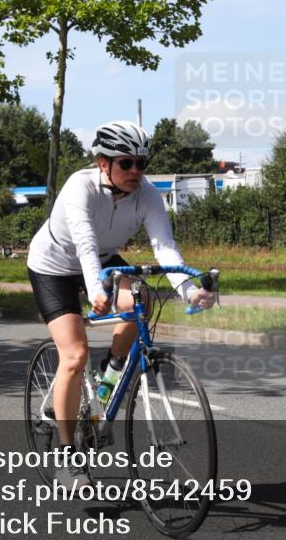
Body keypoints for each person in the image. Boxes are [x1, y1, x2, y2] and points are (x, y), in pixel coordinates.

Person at [27, 120, 215, 487]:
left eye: (141, 164)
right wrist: (97, 289)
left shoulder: (147, 194)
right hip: (54, 264)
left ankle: (112, 370)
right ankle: (68, 459)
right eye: (125, 163)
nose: (135, 171)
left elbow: (165, 247)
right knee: (74, 354)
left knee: (141, 296)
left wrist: (189, 290)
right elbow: (83, 242)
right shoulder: (79, 187)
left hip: (103, 257)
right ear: (102, 163)